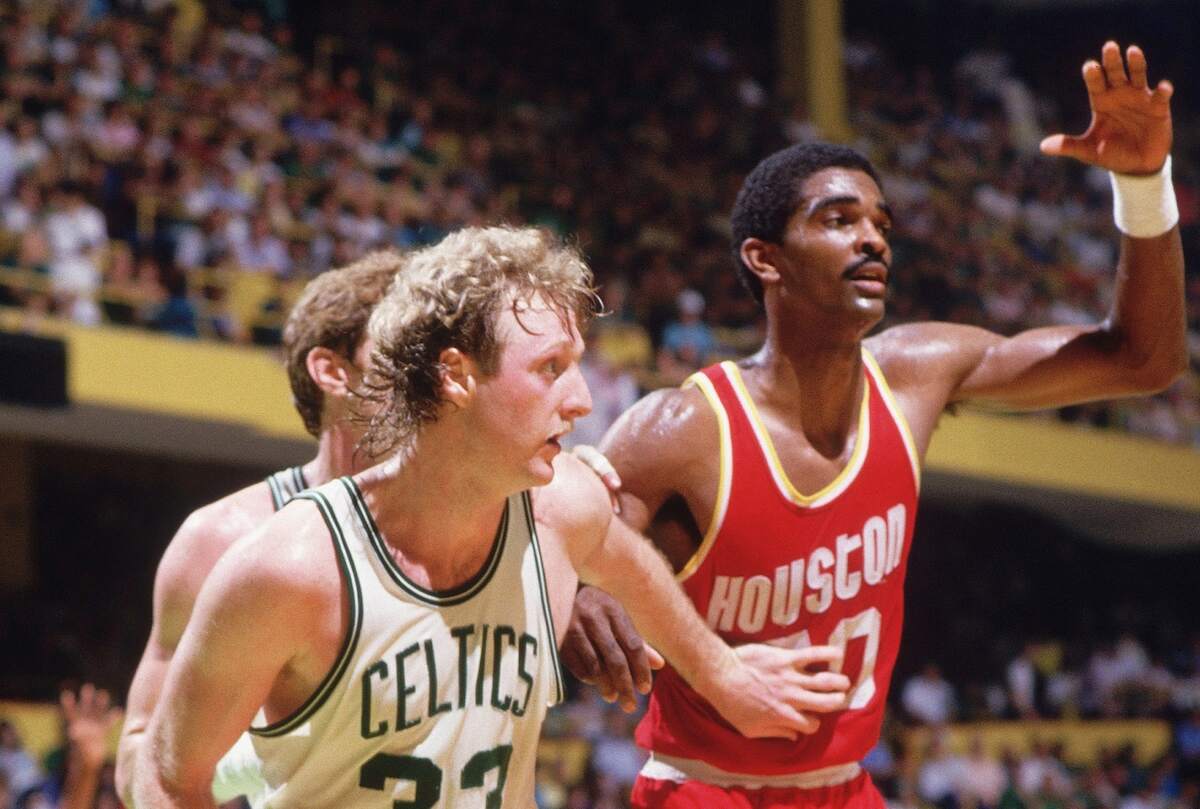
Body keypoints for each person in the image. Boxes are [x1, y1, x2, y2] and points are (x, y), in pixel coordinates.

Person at [565, 42, 1185, 807]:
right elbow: (559, 538)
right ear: (766, 258)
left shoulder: (918, 372)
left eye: (880, 222)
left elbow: (1142, 360)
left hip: (850, 788)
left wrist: (1144, 184)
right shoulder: (681, 428)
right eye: (839, 219)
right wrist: (575, 594)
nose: (873, 238)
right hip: (708, 788)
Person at [133, 226, 852, 808]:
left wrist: (721, 671)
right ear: (455, 375)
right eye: (549, 369)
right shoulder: (286, 566)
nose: (580, 400)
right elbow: (165, 778)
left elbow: (624, 555)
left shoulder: (568, 506)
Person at [115, 251, 405, 807]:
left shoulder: (485, 515)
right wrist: (253, 764)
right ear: (332, 371)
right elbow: (138, 761)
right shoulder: (222, 539)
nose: (427, 369)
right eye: (400, 348)